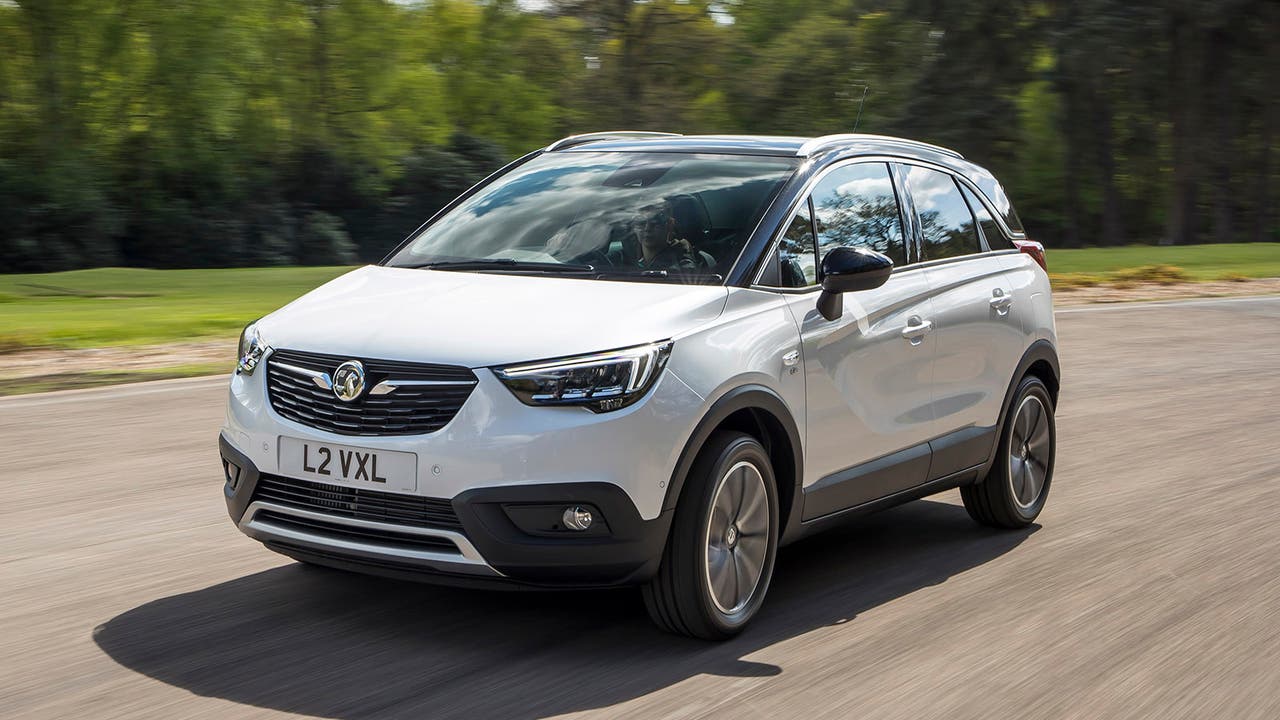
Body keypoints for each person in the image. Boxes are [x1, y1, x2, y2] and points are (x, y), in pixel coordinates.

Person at [633, 200, 705, 272]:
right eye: (641, 222)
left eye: (655, 222)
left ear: (670, 225)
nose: (647, 228)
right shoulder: (625, 262)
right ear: (634, 227)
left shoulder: (682, 268)